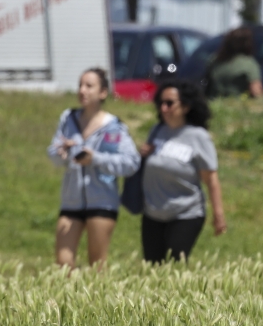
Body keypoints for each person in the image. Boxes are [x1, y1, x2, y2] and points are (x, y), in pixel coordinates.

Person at [47, 68, 140, 269]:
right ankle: (68, 300)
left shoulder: (115, 127)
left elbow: (131, 162)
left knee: (97, 264)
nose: (82, 90)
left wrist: (95, 158)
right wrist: (62, 154)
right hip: (71, 200)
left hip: (102, 201)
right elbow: (53, 153)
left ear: (103, 93)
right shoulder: (68, 118)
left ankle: (98, 300)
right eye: (80, 85)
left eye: (89, 86)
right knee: (63, 263)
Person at [138, 81, 227, 262]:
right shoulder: (157, 130)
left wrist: (218, 215)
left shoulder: (198, 136)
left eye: (170, 103)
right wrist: (144, 153)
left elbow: (211, 179)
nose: (164, 108)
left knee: (174, 264)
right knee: (152, 268)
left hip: (185, 212)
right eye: (161, 103)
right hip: (153, 212)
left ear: (186, 106)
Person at [207, 27, 263, 98]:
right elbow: (256, 92)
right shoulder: (249, 64)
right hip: (238, 106)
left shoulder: (214, 60)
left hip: (214, 104)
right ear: (248, 43)